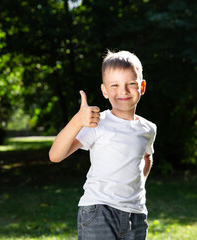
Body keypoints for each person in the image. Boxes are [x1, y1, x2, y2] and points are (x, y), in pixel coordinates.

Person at [49, 50, 157, 240]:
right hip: (99, 211)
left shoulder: (148, 129)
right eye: (114, 85)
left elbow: (147, 157)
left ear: (142, 86)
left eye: (131, 84)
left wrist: (139, 187)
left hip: (136, 214)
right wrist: (76, 121)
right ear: (104, 90)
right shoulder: (97, 123)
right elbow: (55, 155)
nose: (123, 91)